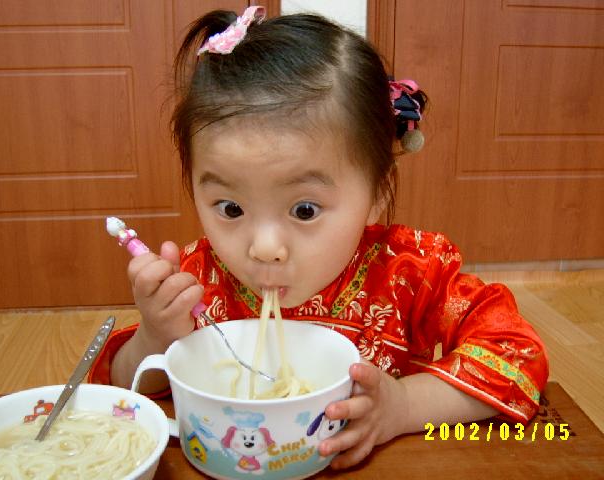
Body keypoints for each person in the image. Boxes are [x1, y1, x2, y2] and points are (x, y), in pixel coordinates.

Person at [89, 6, 548, 469]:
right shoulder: (197, 280)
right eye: (230, 208)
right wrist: (155, 336)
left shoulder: (411, 273)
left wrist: (405, 406)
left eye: (304, 210)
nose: (264, 249)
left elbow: (519, 356)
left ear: (377, 193)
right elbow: (120, 396)